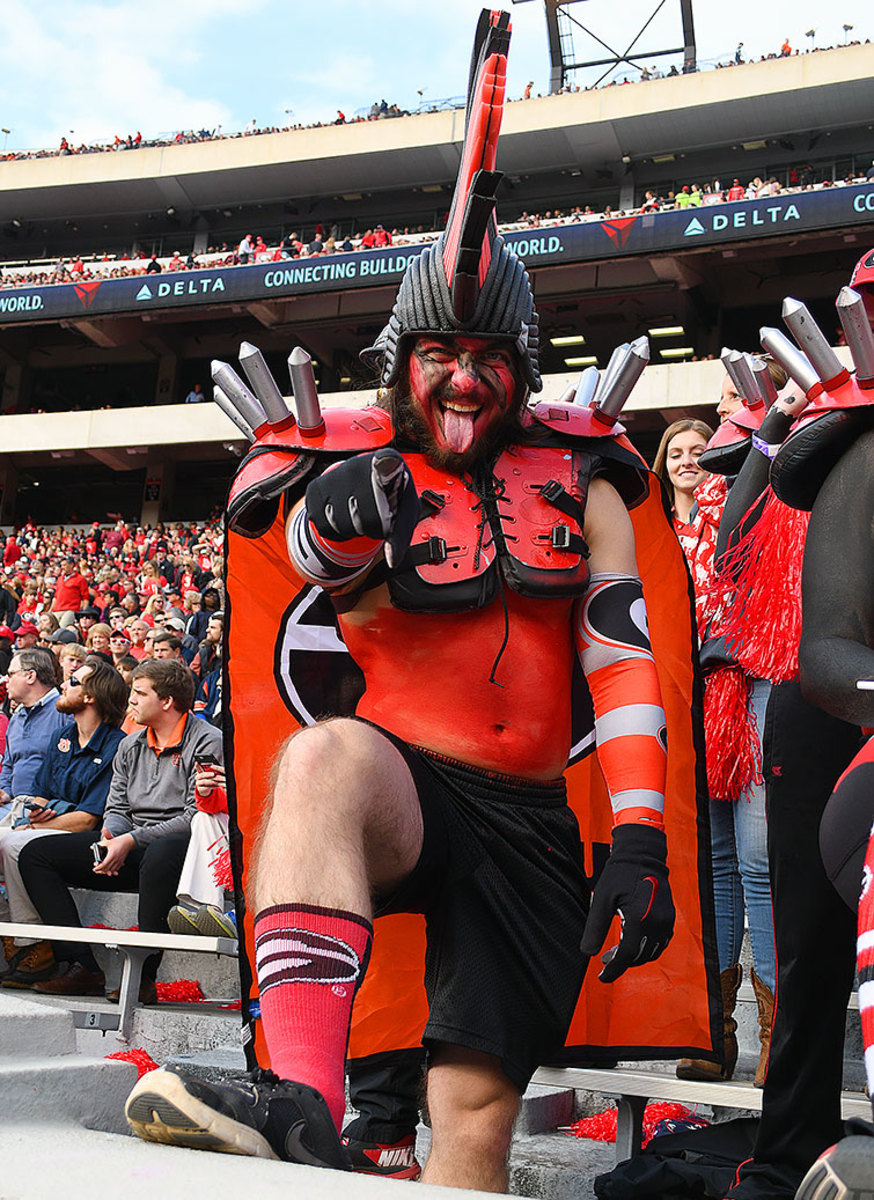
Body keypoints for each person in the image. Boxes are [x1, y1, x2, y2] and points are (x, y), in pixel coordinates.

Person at [126, 12, 702, 1187]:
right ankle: (297, 1099)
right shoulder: (349, 465)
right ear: (401, 360)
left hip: (535, 817)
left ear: (523, 367)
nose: (463, 375)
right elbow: (299, 545)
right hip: (407, 786)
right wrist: (331, 521)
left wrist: (638, 832)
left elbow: (619, 647)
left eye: (488, 355)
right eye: (439, 350)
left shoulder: (585, 471)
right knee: (327, 758)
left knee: (474, 1121)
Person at [17, 659, 222, 1000]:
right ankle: (81, 966)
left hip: (181, 852)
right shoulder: (130, 744)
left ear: (167, 701)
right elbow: (116, 806)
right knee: (36, 854)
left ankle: (143, 978)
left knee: (162, 852)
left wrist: (130, 840)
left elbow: (195, 816)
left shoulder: (206, 740)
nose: (131, 701)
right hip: (131, 844)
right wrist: (112, 835)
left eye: (140, 694)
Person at [0, 658, 128, 986]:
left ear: (91, 696)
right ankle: (11, 940)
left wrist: (35, 827)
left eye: (73, 681)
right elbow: (39, 796)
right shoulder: (63, 736)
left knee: (15, 845)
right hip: (45, 828)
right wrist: (34, 813)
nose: (64, 685)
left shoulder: (116, 745)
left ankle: (34, 947)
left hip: (89, 839)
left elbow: (88, 819)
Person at [0, 648, 65, 820]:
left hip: (46, 810)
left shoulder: (64, 713)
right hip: (12, 804)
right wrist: (4, 792)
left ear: (30, 676)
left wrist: (42, 803)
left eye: (11, 673)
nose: (6, 680)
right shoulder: (17, 717)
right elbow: (8, 765)